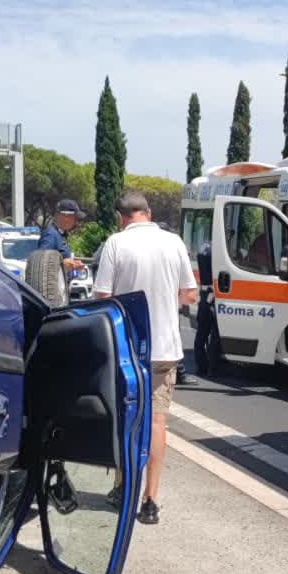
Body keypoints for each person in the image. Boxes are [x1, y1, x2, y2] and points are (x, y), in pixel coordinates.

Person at [94, 191, 199, 525]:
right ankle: (150, 500)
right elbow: (190, 292)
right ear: (148, 213)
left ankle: (122, 489)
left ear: (121, 217)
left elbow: (102, 297)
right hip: (164, 350)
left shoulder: (115, 244)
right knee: (156, 422)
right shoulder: (174, 242)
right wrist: (168, 304)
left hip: (127, 349)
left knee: (125, 419)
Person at [37, 199, 85, 271]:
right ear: (65, 216)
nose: (76, 222)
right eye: (75, 218)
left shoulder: (59, 234)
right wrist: (62, 264)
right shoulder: (50, 234)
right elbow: (40, 262)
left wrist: (73, 263)